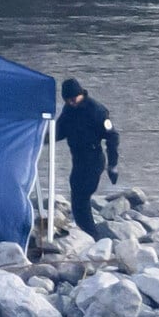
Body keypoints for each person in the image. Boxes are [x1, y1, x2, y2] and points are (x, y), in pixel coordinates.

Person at [54, 78, 120, 240]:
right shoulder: (69, 109)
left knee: (81, 198)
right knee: (77, 198)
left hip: (94, 160)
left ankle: (92, 236)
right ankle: (87, 233)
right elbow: (59, 131)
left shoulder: (96, 110)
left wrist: (113, 165)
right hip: (78, 160)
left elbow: (112, 137)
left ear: (80, 94)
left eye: (73, 99)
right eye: (68, 100)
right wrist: (41, 138)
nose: (71, 103)